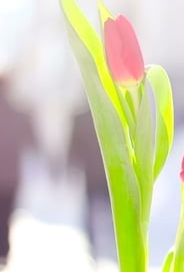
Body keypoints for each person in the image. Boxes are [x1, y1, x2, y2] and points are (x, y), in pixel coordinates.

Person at [68, 109, 115, 260]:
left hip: (95, 174)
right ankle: (114, 243)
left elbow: (74, 147)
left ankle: (95, 244)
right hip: (110, 173)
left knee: (92, 210)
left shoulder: (81, 117)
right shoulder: (113, 114)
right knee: (112, 210)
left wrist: (72, 167)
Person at [0, 75, 34, 264]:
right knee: (6, 213)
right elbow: (30, 137)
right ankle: (3, 250)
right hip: (11, 176)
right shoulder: (16, 112)